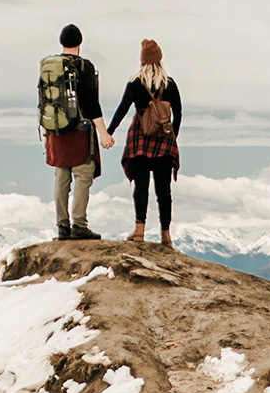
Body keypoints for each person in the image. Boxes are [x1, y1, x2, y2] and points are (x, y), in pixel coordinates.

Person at [107, 38, 182, 247]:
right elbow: (179, 113)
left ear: (142, 61)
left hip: (139, 140)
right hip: (164, 143)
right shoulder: (170, 84)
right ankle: (166, 236)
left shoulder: (135, 83)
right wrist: (171, 136)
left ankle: (139, 232)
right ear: (160, 60)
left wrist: (108, 132)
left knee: (141, 187)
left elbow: (122, 110)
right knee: (164, 191)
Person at [44, 23, 114, 240]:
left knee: (61, 176)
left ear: (61, 42)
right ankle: (79, 225)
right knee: (83, 174)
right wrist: (103, 132)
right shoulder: (84, 67)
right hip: (79, 130)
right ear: (80, 42)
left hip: (55, 130)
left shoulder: (50, 66)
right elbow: (92, 104)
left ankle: (62, 226)